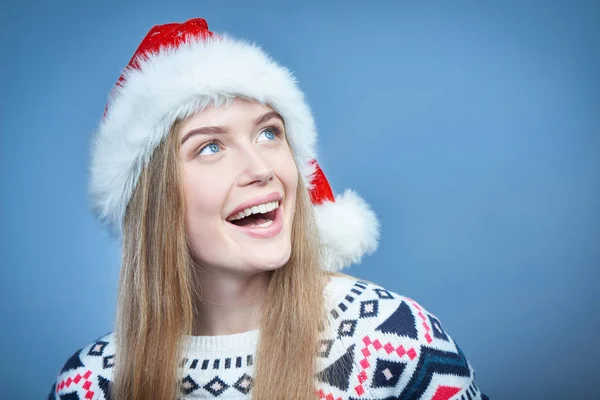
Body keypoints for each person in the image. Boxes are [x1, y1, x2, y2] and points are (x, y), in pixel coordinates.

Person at [50, 18, 488, 400]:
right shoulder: (90, 382)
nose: (260, 168)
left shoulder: (396, 342)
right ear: (153, 200)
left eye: (268, 133)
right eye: (210, 147)